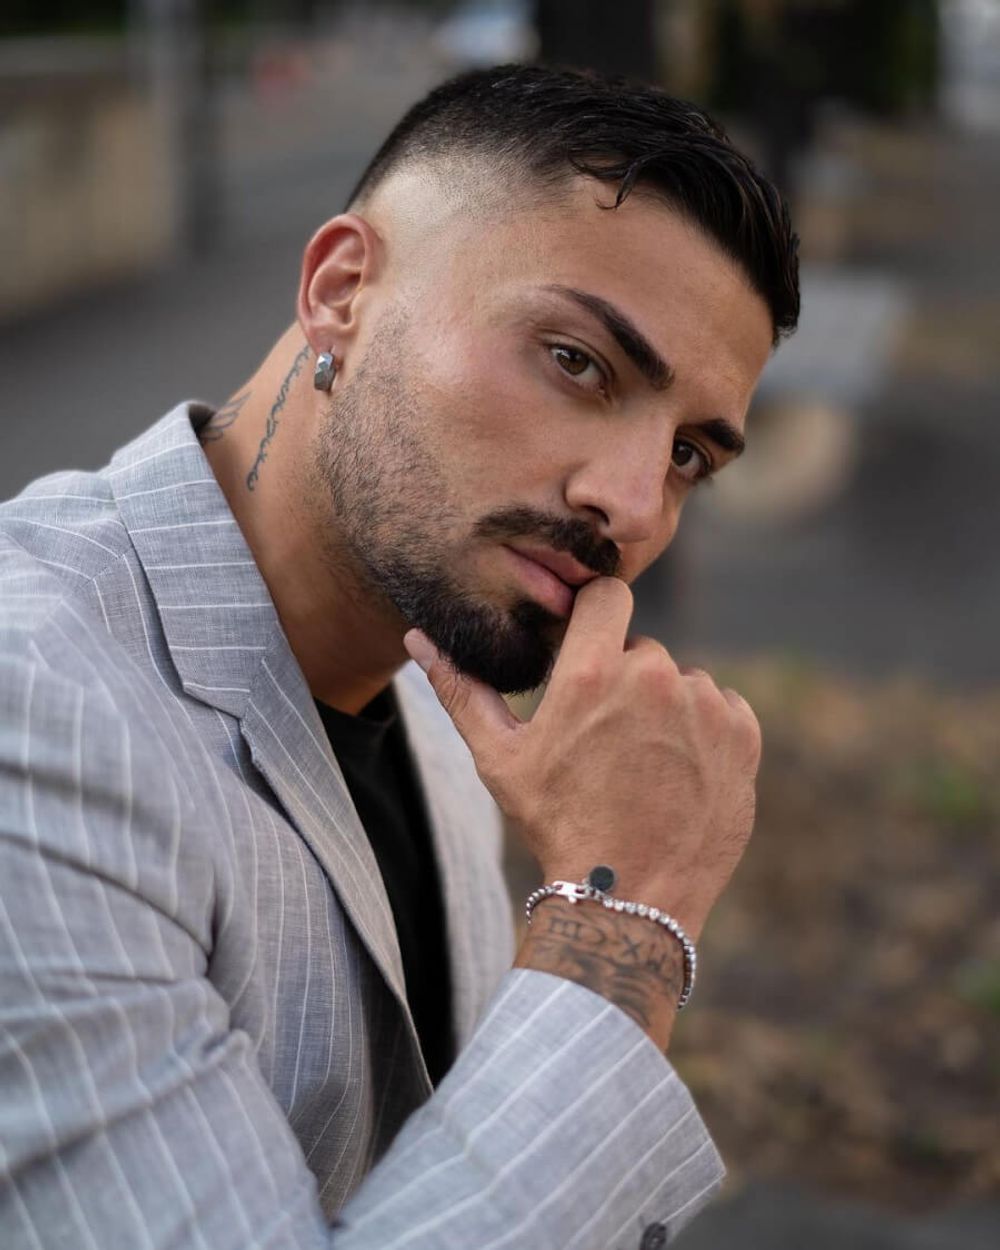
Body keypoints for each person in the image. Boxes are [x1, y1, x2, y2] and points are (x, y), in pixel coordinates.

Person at [0, 64, 799, 1249]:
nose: (630, 505)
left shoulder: (435, 689)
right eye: (576, 361)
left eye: (688, 453)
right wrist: (624, 917)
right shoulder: (35, 708)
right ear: (342, 290)